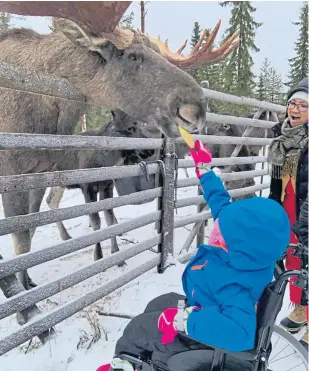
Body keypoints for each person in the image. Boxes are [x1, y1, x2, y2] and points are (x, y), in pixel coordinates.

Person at [97, 140, 290, 371]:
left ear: (240, 246)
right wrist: (205, 169)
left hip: (205, 339)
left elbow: (240, 334)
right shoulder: (249, 253)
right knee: (159, 303)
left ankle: (123, 364)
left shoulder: (235, 286)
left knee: (140, 328)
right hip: (209, 306)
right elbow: (220, 204)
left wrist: (185, 321)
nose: (215, 233)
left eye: (220, 235)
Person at [268, 77, 308, 348]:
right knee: (292, 259)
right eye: (292, 102)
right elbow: (276, 181)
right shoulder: (282, 139)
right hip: (289, 203)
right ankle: (303, 308)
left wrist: (303, 226)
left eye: (303, 105)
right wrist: (272, 213)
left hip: (306, 208)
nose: (294, 108)